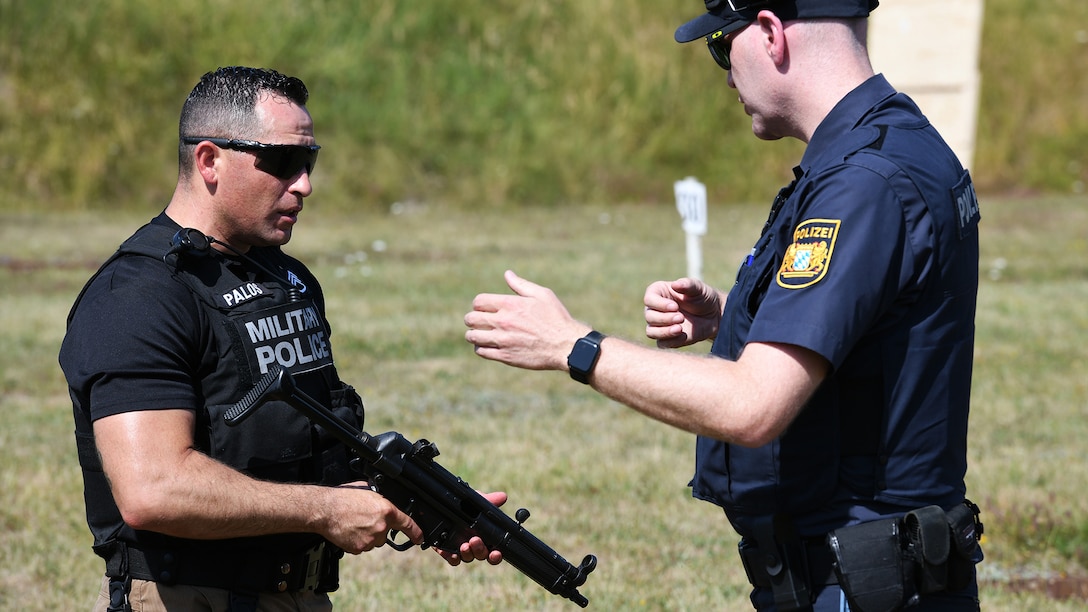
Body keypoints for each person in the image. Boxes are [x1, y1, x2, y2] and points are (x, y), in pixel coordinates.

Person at [464, 1, 984, 610]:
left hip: (862, 581)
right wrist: (737, 316)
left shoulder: (861, 182)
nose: (727, 75)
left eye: (721, 48)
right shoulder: (897, 142)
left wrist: (572, 346)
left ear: (769, 33)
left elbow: (752, 406)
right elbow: (885, 316)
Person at [60, 66, 502, 612]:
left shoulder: (286, 281)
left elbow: (298, 448)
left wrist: (428, 505)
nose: (304, 185)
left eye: (309, 162)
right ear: (209, 161)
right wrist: (323, 510)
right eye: (283, 163)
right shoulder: (137, 296)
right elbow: (154, 489)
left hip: (298, 593)